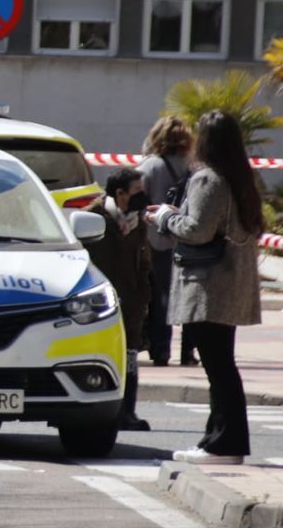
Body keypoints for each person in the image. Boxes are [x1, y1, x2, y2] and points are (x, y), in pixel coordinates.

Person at [144, 110, 262, 465]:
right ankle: (217, 440)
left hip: (208, 285)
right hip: (230, 282)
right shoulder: (243, 178)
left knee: (218, 368)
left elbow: (196, 229)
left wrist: (165, 216)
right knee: (221, 365)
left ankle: (223, 444)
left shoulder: (209, 179)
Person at [86, 169, 154, 431]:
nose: (142, 196)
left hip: (131, 304)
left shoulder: (139, 223)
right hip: (100, 304)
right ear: (120, 194)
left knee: (130, 359)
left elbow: (144, 263)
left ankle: (128, 412)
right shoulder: (94, 218)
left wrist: (143, 298)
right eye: (137, 191)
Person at [137, 117, 194, 366]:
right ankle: (188, 351)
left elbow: (136, 203)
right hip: (187, 239)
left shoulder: (149, 166)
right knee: (188, 295)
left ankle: (161, 349)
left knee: (160, 294)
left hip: (156, 238)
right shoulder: (192, 168)